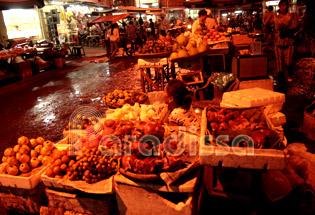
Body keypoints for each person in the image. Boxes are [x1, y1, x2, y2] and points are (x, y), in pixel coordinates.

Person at [274, 0, 299, 91]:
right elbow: (277, 26)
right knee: (279, 65)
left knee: (288, 62)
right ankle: (282, 85)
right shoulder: (276, 16)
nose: (283, 8)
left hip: (289, 42)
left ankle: (290, 76)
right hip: (278, 42)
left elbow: (295, 26)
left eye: (284, 6)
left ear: (287, 6)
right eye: (281, 6)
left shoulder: (292, 16)